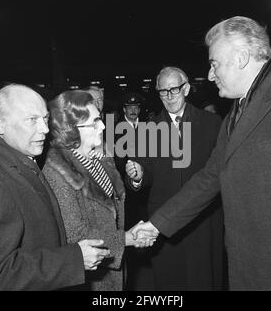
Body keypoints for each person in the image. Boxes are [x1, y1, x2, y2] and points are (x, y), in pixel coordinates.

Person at [133, 16, 271, 290]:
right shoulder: (233, 116)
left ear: (241, 57)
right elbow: (209, 179)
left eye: (214, 64)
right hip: (247, 273)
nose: (209, 75)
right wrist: (156, 226)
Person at [0, 84, 111, 290]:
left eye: (45, 119)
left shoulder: (13, 154)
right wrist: (73, 260)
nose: (45, 129)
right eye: (32, 120)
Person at [42, 90, 154, 291]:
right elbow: (75, 235)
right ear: (71, 129)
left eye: (100, 120)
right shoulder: (57, 173)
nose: (102, 126)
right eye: (94, 123)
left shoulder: (97, 157)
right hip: (89, 280)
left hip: (112, 271)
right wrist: (127, 238)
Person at [126, 67, 224, 290]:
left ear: (187, 89)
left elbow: (220, 172)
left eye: (174, 89)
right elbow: (142, 173)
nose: (169, 96)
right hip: (163, 223)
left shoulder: (213, 123)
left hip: (204, 220)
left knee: (204, 280)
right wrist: (137, 176)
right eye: (163, 91)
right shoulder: (148, 130)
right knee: (171, 282)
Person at [114, 93, 153, 290]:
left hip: (145, 186)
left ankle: (145, 254)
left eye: (136, 106)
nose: (133, 110)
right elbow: (116, 161)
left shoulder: (149, 127)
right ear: (124, 109)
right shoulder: (114, 130)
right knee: (128, 220)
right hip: (124, 186)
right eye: (129, 107)